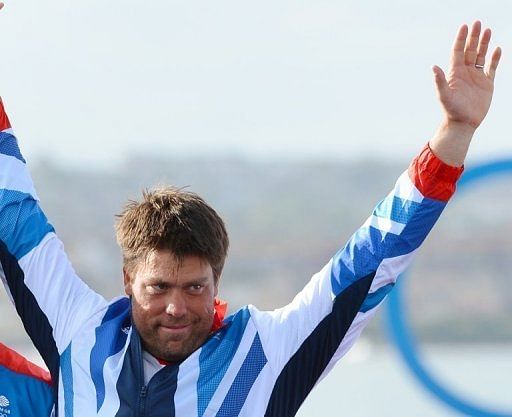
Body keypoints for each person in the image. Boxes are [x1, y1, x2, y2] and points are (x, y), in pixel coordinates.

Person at [0, 4, 502, 415]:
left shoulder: (266, 353)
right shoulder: (79, 330)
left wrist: (455, 134)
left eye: (194, 287)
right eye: (158, 288)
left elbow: (370, 259)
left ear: (217, 282)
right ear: (128, 279)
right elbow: (12, 210)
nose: (176, 308)